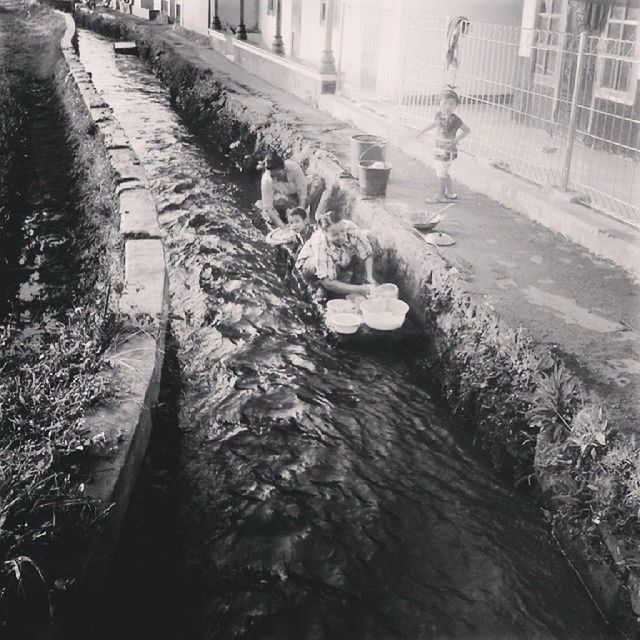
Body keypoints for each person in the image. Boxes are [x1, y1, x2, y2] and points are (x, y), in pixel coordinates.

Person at [295, 210, 376, 297]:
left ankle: (348, 278)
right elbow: (328, 282)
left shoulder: (349, 227)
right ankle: (317, 285)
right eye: (335, 234)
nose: (341, 237)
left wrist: (369, 277)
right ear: (325, 232)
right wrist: (358, 289)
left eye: (342, 231)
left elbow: (367, 252)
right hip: (310, 266)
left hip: (336, 254)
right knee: (325, 278)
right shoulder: (320, 243)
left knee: (369, 236)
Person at [418, 88, 470, 203]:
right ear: (440, 103)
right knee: (443, 171)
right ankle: (450, 193)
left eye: (451, 104)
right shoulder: (439, 115)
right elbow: (435, 124)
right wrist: (423, 131)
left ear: (456, 105)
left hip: (448, 150)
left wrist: (456, 140)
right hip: (439, 148)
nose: (447, 106)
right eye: (445, 103)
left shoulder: (455, 119)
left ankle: (440, 196)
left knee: (441, 172)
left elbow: (466, 130)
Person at [260, 152, 325, 229]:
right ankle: (285, 220)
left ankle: (311, 217)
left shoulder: (293, 167)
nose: (275, 179)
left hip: (297, 196)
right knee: (279, 200)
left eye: (277, 175)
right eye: (272, 177)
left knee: (320, 181)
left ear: (283, 168)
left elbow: (302, 195)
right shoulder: (266, 180)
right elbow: (268, 208)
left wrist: (301, 218)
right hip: (284, 202)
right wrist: (282, 226)